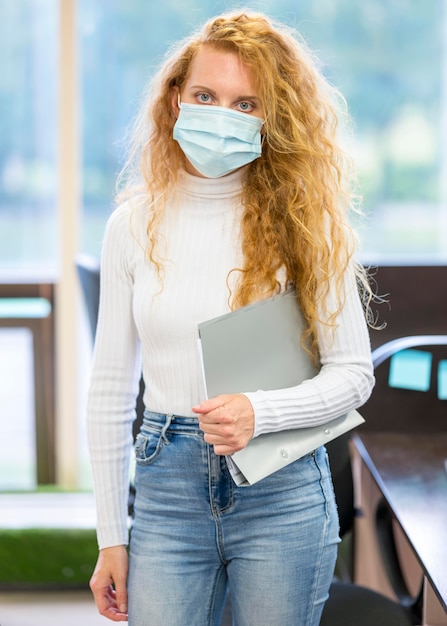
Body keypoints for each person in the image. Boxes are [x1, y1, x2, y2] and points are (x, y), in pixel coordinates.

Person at [87, 10, 375, 626]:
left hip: (284, 492)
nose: (222, 115)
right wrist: (112, 537)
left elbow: (354, 374)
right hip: (167, 491)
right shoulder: (131, 227)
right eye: (206, 96)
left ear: (276, 116)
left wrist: (259, 412)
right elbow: (110, 391)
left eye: (247, 104)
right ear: (175, 101)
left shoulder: (312, 227)